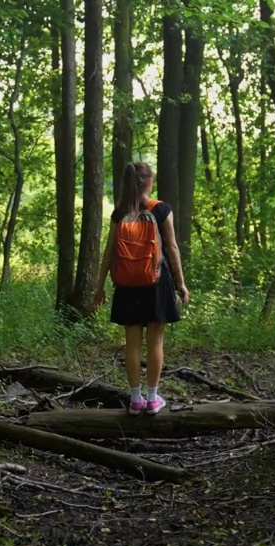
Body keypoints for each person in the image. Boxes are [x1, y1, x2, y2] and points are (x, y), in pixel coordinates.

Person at [94, 162, 190, 415]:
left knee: (132, 343)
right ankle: (152, 399)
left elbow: (108, 253)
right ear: (148, 182)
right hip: (156, 281)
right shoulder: (161, 210)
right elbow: (172, 248)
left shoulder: (120, 213)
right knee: (156, 341)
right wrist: (181, 283)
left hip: (126, 284)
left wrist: (99, 287)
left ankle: (135, 400)